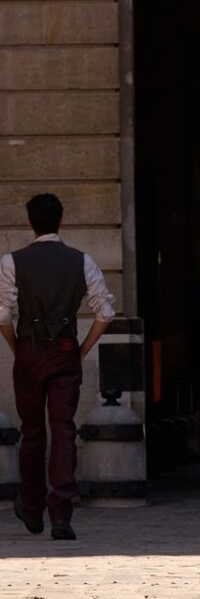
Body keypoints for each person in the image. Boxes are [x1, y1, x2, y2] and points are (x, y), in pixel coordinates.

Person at [0, 194, 115, 539]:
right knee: (63, 430)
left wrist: (16, 346)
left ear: (30, 223)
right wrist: (82, 349)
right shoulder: (81, 261)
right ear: (61, 221)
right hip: (65, 350)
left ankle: (32, 507)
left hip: (29, 351)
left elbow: (2, 315)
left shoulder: (12, 262)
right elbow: (105, 312)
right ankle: (61, 514)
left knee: (32, 432)